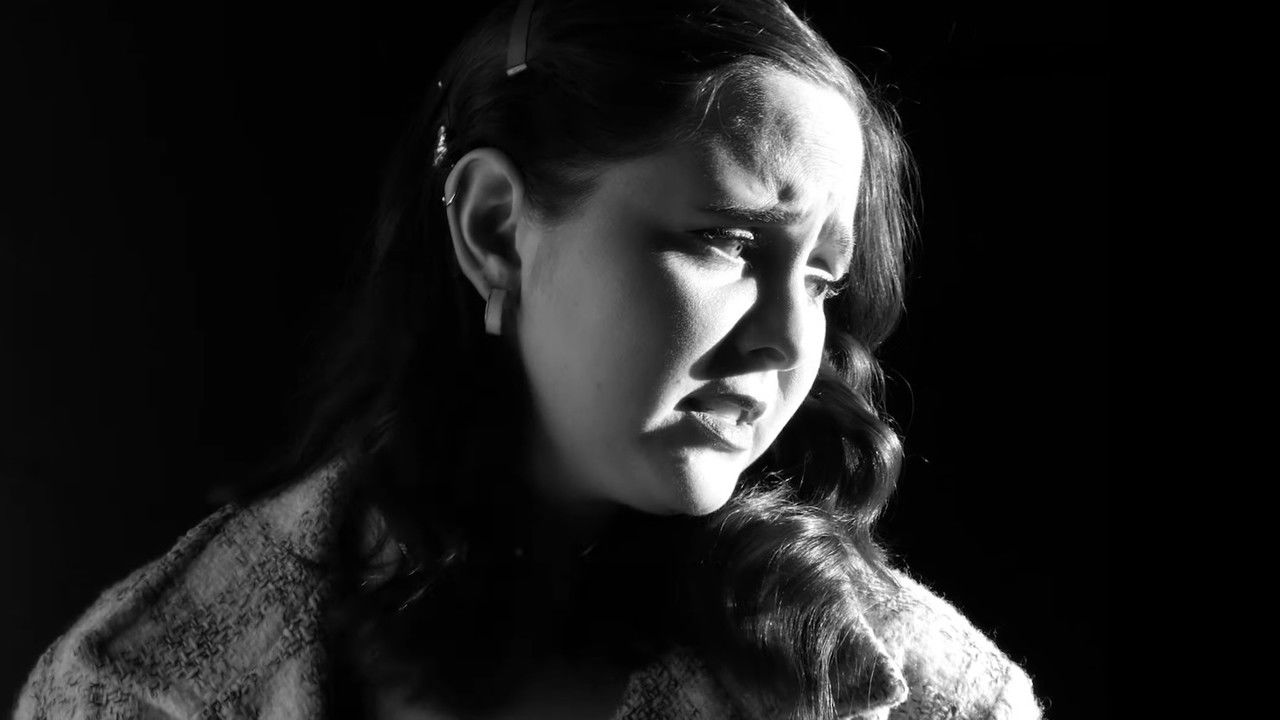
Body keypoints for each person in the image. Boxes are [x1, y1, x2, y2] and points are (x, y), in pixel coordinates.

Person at [14, 1, 1042, 718]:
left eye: (820, 278)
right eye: (727, 241)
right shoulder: (135, 687)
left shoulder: (935, 700)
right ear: (496, 230)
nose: (788, 340)